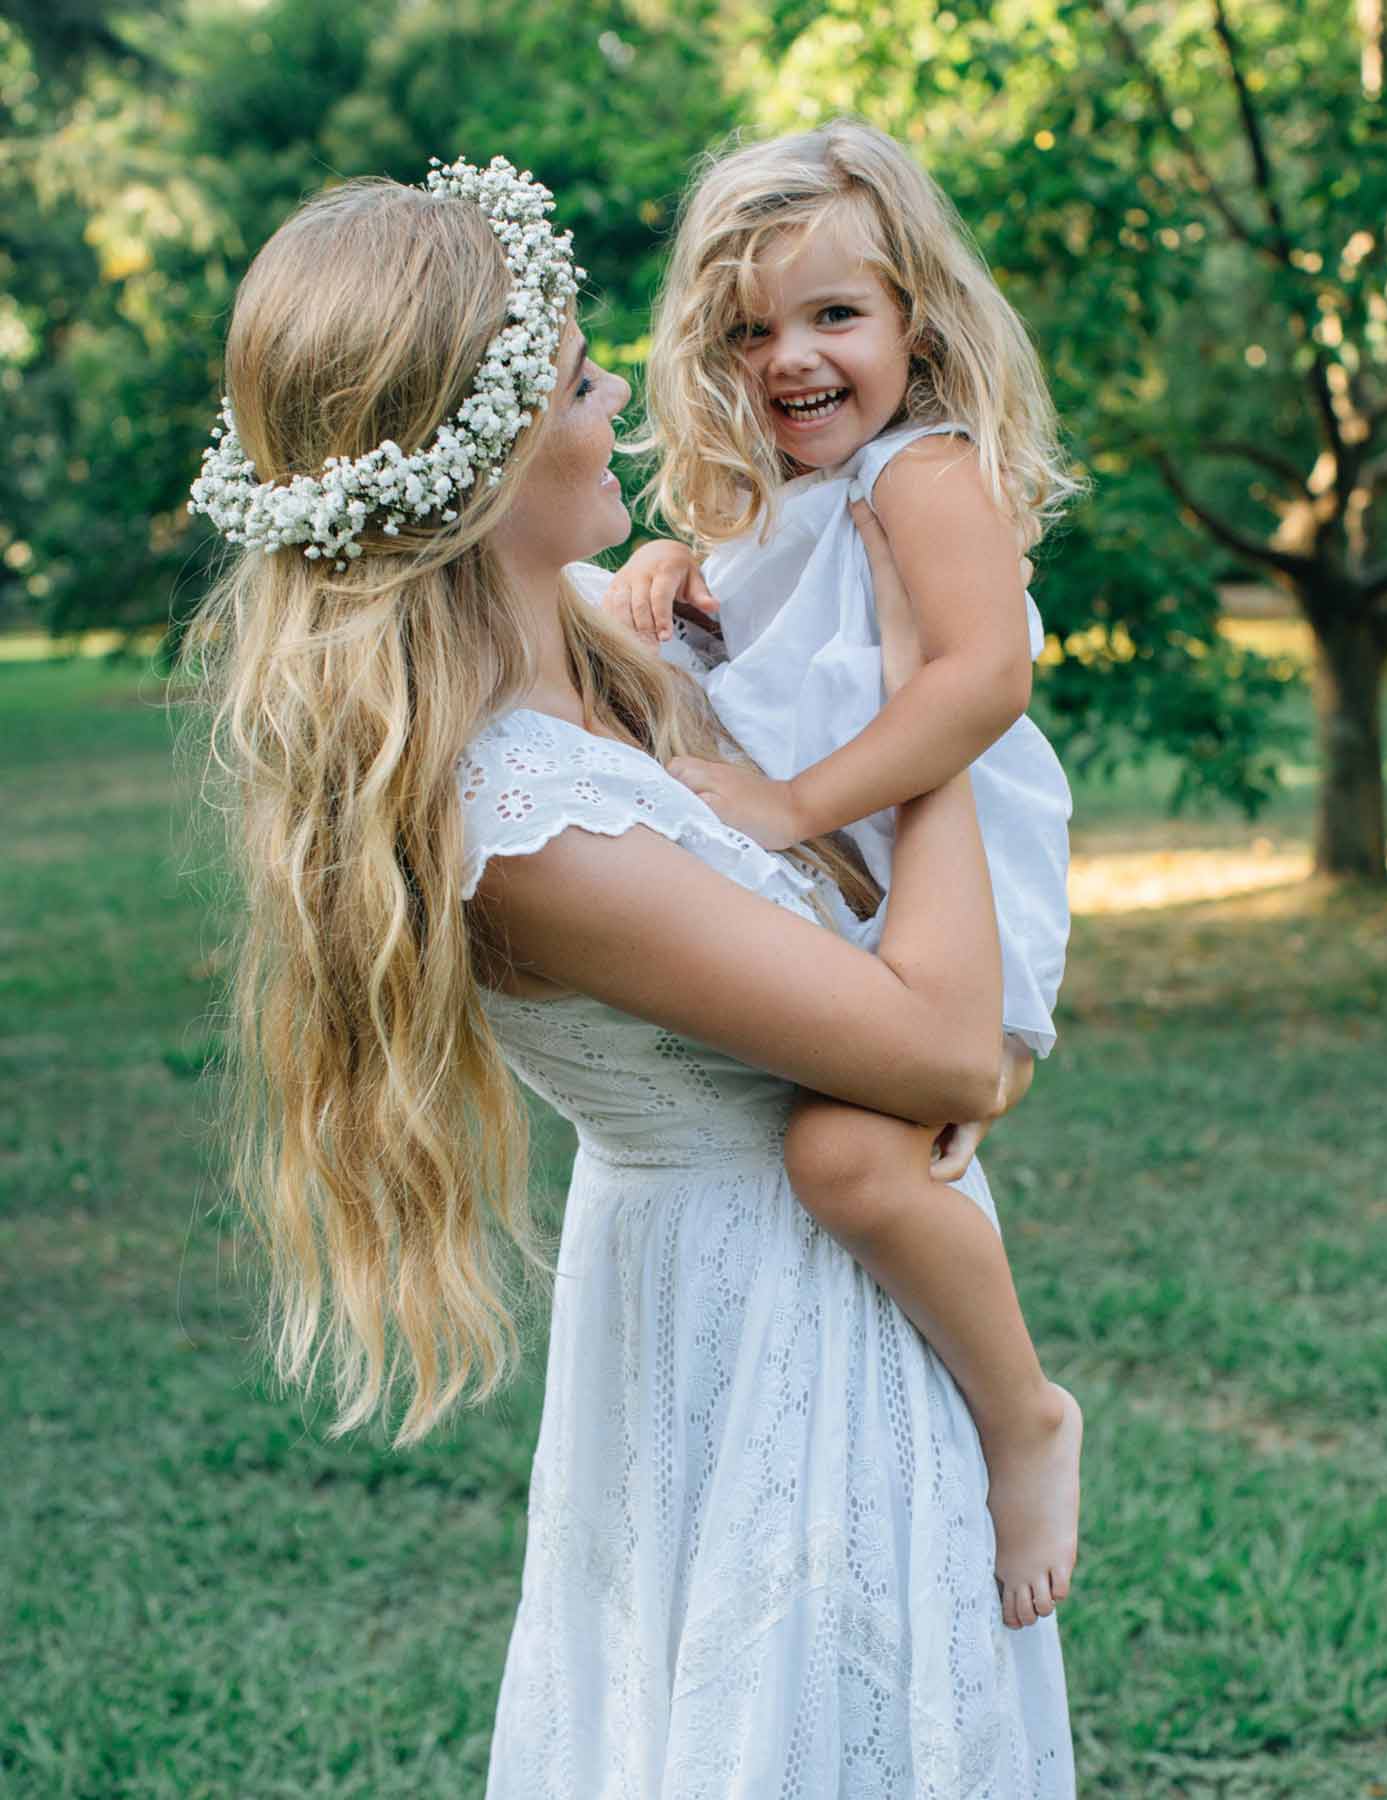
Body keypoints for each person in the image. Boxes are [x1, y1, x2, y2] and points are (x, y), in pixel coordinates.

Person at [184, 155, 1075, 1794]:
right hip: (771, 1334)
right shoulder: (520, 819)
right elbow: (941, 1052)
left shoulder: (603, 631)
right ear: (493, 450)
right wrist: (941, 689)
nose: (627, 403)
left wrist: (884, 658)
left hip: (847, 1275)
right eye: (589, 379)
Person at [595, 119, 1082, 1623]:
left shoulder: (926, 473)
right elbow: (763, 649)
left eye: (833, 316)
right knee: (826, 1141)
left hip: (959, 891)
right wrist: (677, 575)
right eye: (749, 331)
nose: (790, 358)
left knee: (846, 1159)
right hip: (852, 896)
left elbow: (983, 677)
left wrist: (794, 802)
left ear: (914, 320)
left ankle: (1026, 1415)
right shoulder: (784, 507)